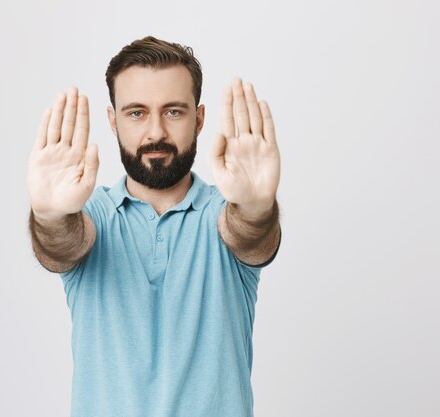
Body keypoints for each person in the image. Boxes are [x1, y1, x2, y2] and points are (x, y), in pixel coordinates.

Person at [27, 36, 281, 417]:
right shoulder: (90, 214)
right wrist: (48, 217)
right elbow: (62, 243)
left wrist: (258, 207)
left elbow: (251, 234)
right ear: (113, 121)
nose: (156, 132)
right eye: (136, 113)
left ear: (199, 119)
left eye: (174, 112)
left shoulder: (226, 212)